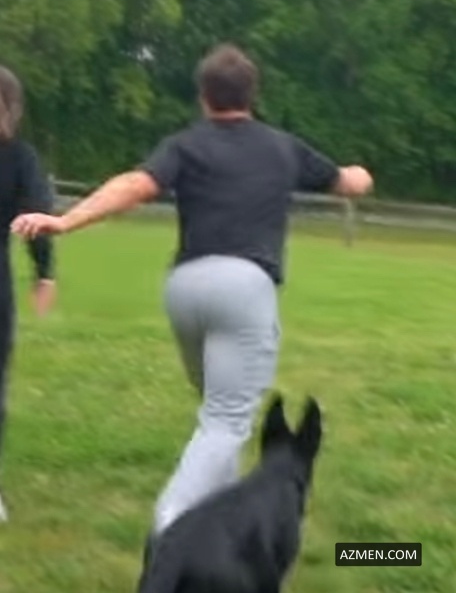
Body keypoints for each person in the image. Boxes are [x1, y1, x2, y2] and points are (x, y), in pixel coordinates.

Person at [12, 45, 372, 544]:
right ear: (253, 95)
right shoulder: (283, 147)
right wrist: (361, 173)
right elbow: (349, 183)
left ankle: (217, 526)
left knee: (217, 411)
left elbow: (135, 185)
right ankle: (171, 532)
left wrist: (66, 221)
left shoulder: (185, 145)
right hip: (243, 287)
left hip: (184, 288)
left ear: (204, 96)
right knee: (226, 420)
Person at [0, 66, 56, 522]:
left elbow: (34, 215)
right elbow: (36, 214)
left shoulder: (21, 158)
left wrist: (44, 272)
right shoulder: (19, 157)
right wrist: (44, 273)